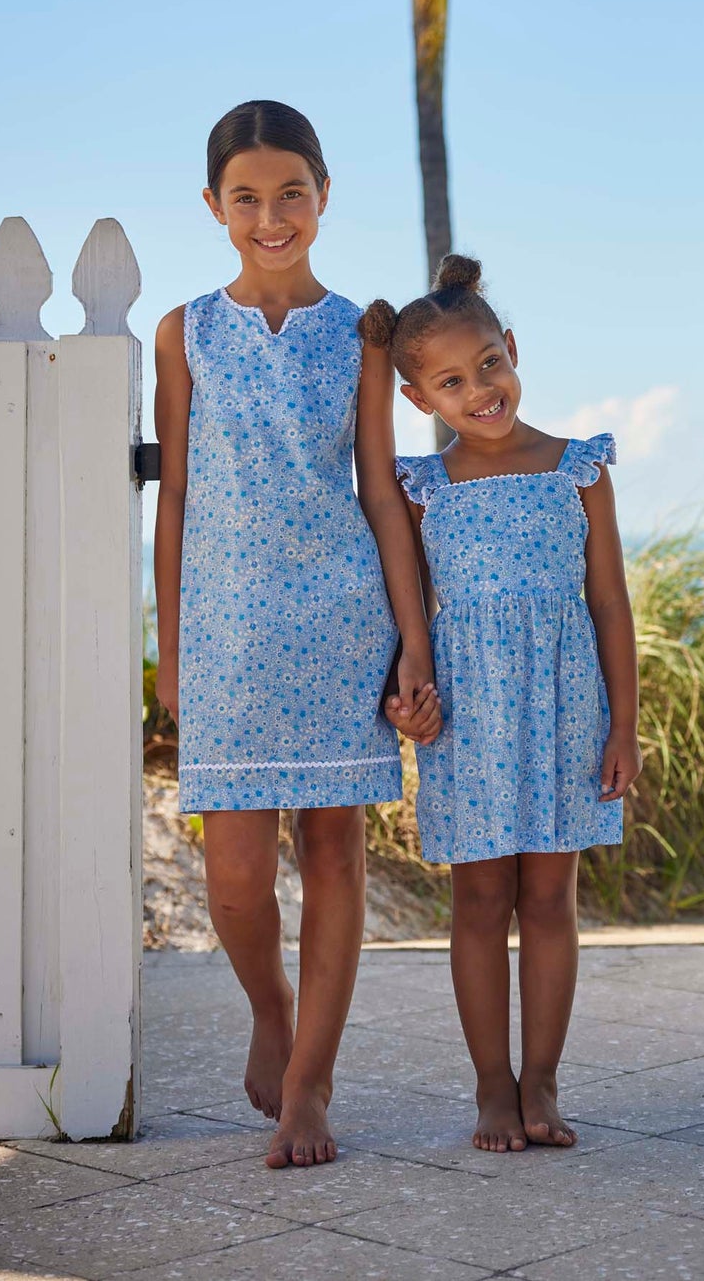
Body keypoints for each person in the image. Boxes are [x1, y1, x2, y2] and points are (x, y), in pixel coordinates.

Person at [153, 99, 439, 1169]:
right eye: (247, 197)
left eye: (291, 194)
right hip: (225, 627)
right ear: (215, 206)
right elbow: (174, 497)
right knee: (232, 877)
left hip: (340, 616)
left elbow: (381, 490)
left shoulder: (361, 333)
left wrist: (411, 640)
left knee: (332, 855)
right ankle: (273, 1008)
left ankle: (310, 1086)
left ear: (323, 195)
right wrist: (172, 645)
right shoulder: (186, 331)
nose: (270, 216)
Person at [364, 254, 642, 1153]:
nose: (481, 388)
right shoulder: (424, 487)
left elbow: (610, 604)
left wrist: (624, 727)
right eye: (451, 380)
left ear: (512, 348)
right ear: (420, 399)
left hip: (568, 709)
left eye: (490, 363)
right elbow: (410, 610)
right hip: (472, 717)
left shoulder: (580, 470)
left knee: (551, 897)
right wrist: (409, 693)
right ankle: (492, 1086)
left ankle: (544, 1083)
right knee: (481, 901)